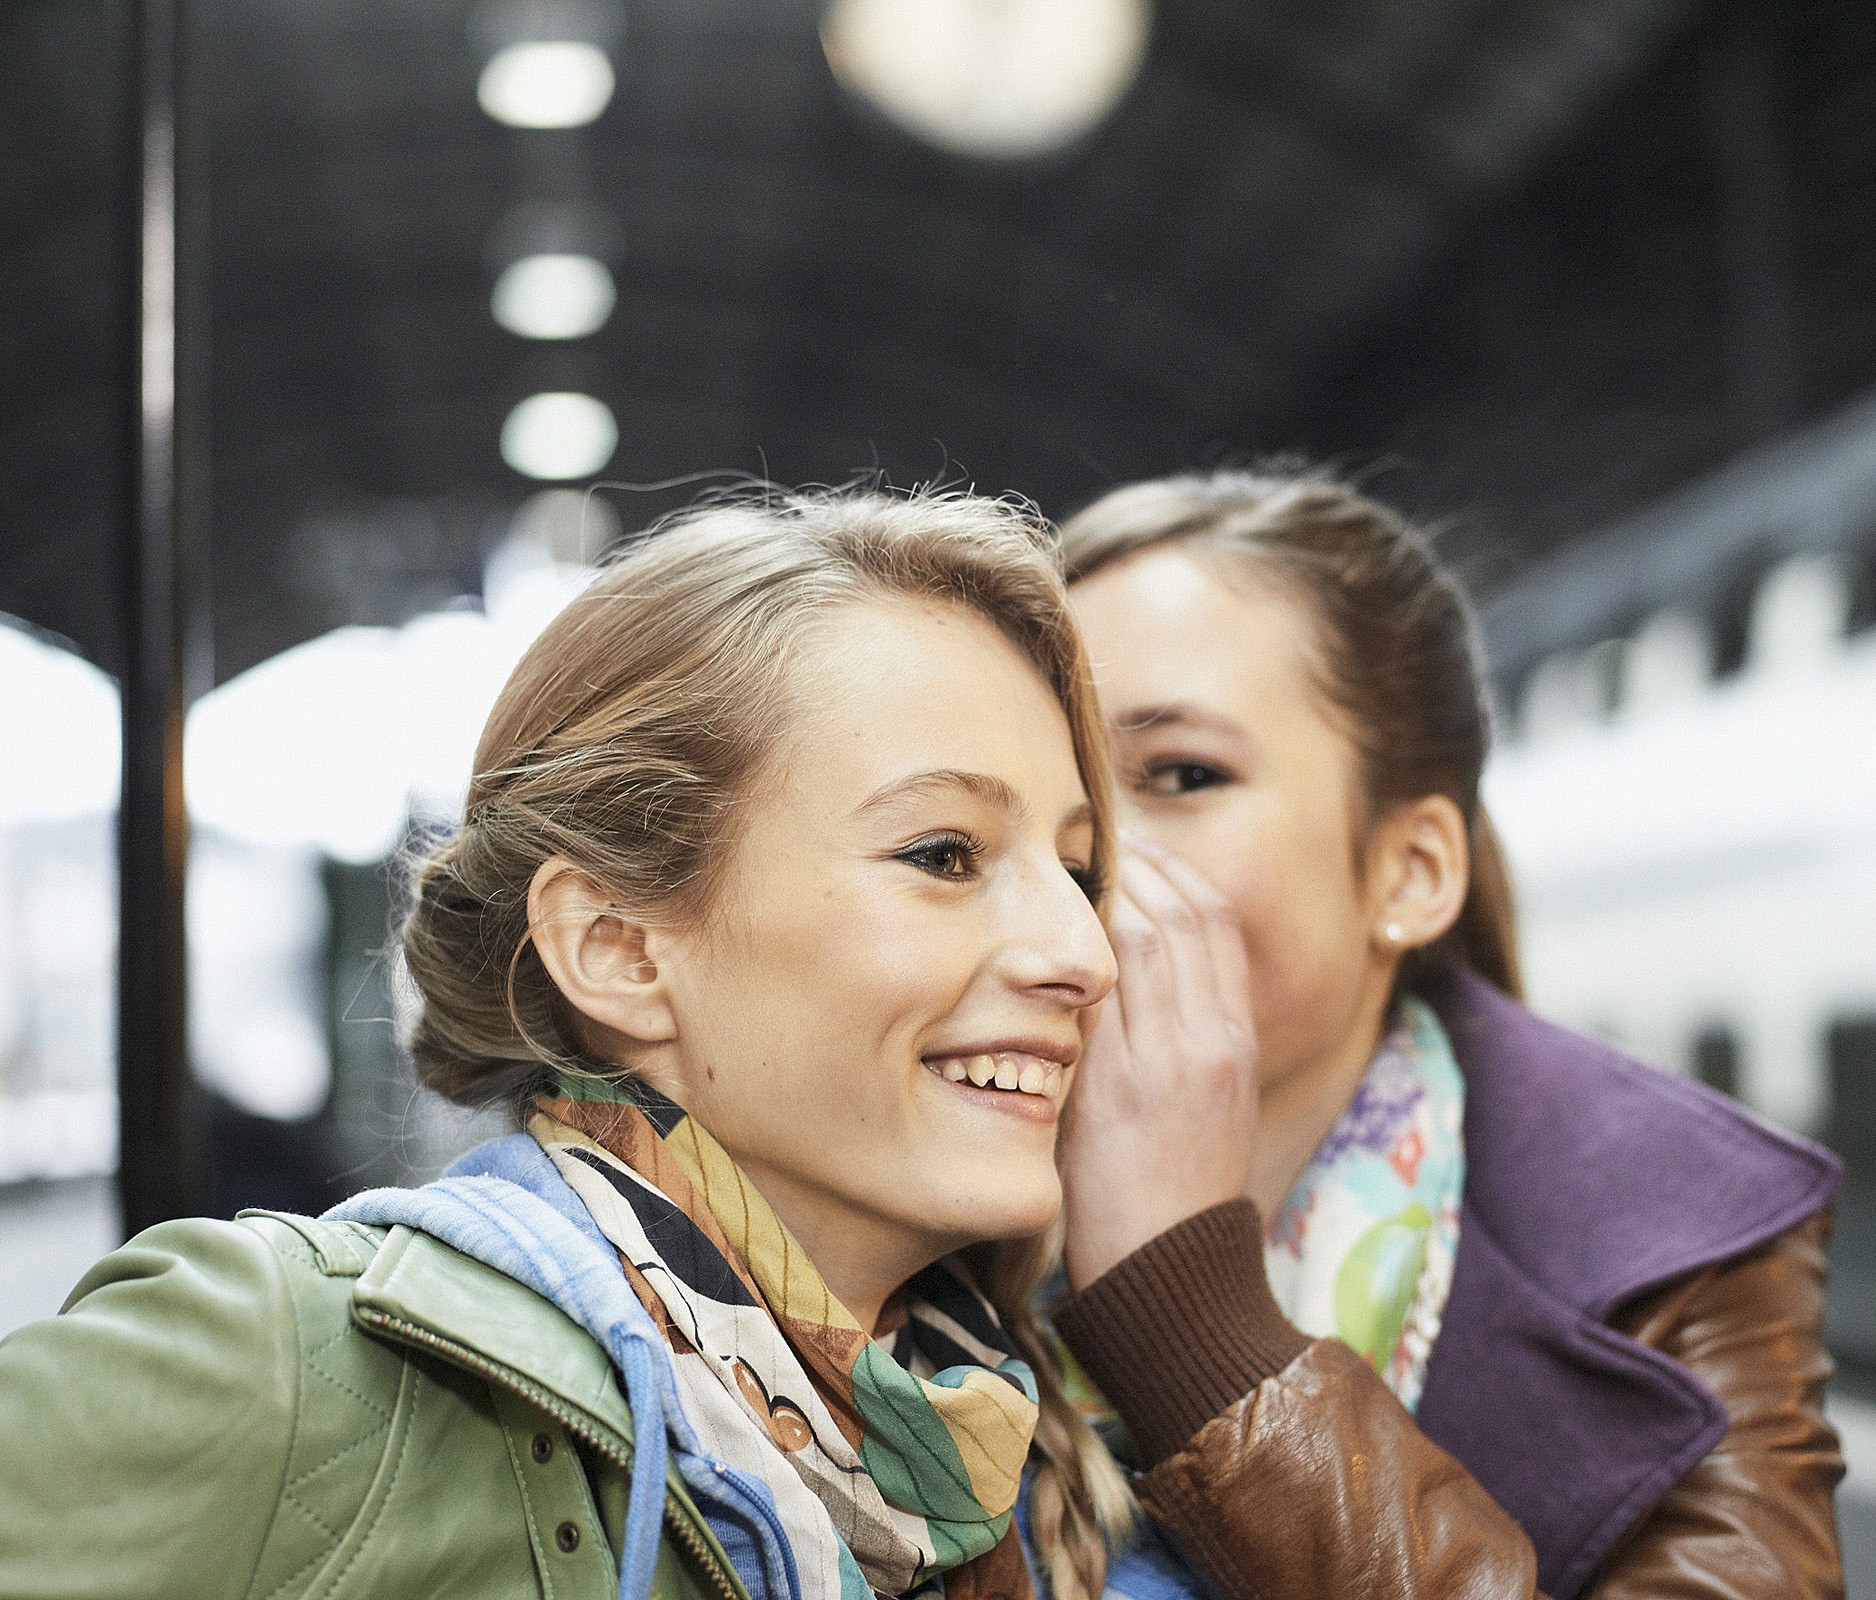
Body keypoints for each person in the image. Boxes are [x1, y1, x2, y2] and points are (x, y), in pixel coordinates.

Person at [0, 489, 1141, 1600]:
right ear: (616, 949)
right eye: (943, 854)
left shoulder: (1030, 1450)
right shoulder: (282, 1358)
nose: (1085, 954)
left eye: (1079, 871)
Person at [1049, 466, 1845, 1600]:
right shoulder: (898, 1179)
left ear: (1410, 870)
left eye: (1181, 773)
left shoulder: (1680, 1252)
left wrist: (1194, 1328)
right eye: (1054, 781)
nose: (1085, 855)